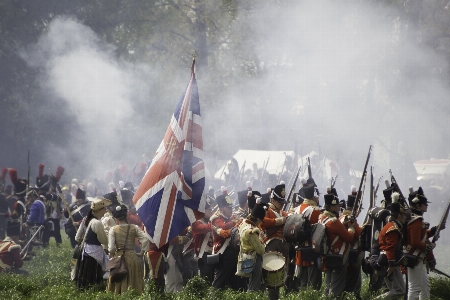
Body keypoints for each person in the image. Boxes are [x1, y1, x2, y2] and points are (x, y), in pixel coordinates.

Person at [320, 192, 358, 299]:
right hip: (338, 256)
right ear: (332, 207)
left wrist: (344, 225)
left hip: (327, 255)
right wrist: (351, 228)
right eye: (337, 206)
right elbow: (349, 238)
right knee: (336, 288)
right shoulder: (334, 221)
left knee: (328, 286)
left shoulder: (322, 218)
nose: (338, 208)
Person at [107, 204, 149, 295]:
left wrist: (112, 255)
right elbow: (145, 239)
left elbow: (111, 248)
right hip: (132, 257)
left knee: (119, 280)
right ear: (126, 215)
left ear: (116, 218)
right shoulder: (134, 227)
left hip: (119, 259)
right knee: (134, 280)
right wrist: (142, 252)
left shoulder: (113, 230)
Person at [405, 187, 438, 300]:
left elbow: (421, 236)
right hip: (416, 257)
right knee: (415, 288)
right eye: (424, 204)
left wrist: (433, 231)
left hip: (418, 257)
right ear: (418, 205)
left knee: (425, 287)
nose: (426, 206)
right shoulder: (416, 221)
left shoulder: (416, 220)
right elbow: (415, 242)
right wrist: (429, 246)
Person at [259, 183, 289, 300]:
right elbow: (263, 222)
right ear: (272, 199)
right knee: (271, 276)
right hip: (271, 245)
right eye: (279, 201)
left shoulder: (283, 212)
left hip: (282, 246)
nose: (281, 204)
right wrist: (281, 220)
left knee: (280, 277)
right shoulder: (267, 210)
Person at [375, 195, 407, 299]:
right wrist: (392, 264)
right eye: (404, 215)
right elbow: (390, 248)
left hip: (386, 261)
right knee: (400, 290)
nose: (406, 217)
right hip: (389, 262)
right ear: (399, 215)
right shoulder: (393, 229)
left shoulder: (390, 226)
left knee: (394, 291)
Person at [74, 198, 110, 289]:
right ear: (99, 210)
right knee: (93, 276)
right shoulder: (97, 223)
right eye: (104, 209)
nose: (105, 211)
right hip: (94, 253)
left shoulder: (85, 219)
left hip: (85, 250)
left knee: (84, 275)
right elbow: (104, 241)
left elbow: (77, 237)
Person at [294, 182, 322, 291]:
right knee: (313, 284)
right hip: (311, 250)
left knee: (302, 284)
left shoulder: (297, 209)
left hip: (300, 251)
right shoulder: (315, 211)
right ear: (314, 197)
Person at [211, 190, 241, 290]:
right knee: (219, 281)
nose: (231, 210)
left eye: (231, 208)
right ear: (221, 209)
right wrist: (235, 222)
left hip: (232, 252)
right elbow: (223, 228)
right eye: (228, 208)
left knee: (235, 281)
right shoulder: (216, 219)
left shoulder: (229, 218)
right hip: (222, 253)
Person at [237, 202, 267, 291]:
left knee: (250, 283)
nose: (261, 222)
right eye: (261, 220)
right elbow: (261, 250)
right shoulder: (252, 231)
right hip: (254, 258)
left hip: (245, 257)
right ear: (257, 219)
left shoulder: (243, 224)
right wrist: (261, 238)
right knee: (254, 285)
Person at [339, 187, 363, 300]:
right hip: (350, 256)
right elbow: (358, 234)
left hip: (346, 255)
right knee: (349, 288)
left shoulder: (342, 217)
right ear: (355, 208)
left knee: (353, 286)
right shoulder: (349, 219)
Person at [191, 200, 214, 284]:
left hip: (211, 251)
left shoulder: (209, 221)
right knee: (206, 273)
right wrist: (214, 224)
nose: (211, 212)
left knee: (211, 273)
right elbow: (202, 229)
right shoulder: (196, 222)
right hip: (202, 252)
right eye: (209, 210)